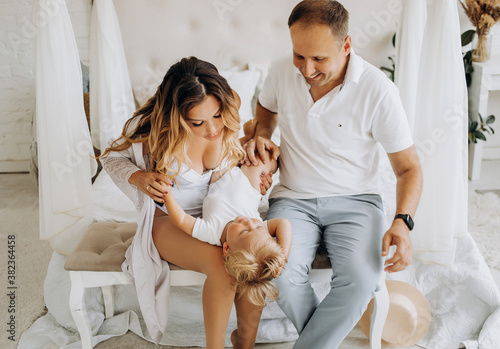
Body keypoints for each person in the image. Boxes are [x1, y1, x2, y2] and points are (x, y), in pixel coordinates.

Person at [242, 1, 423, 348]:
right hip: (293, 199)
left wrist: (403, 222)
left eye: (319, 59)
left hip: (357, 201)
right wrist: (262, 134)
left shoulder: (379, 90)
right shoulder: (281, 70)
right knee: (276, 273)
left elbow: (409, 168)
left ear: (347, 45)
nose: (306, 69)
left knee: (360, 281)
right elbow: (265, 110)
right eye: (299, 55)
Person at [100, 56, 273, 349]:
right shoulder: (148, 129)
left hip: (221, 212)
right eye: (198, 122)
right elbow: (110, 157)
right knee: (222, 266)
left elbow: (231, 163)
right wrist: (139, 176)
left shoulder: (228, 108)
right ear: (175, 116)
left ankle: (245, 342)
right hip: (168, 221)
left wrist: (250, 177)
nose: (213, 130)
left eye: (217, 116)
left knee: (251, 262)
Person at [159, 150, 291, 308]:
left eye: (244, 231)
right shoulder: (257, 230)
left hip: (219, 178)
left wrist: (167, 196)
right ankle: (260, 144)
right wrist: (283, 256)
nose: (249, 223)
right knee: (261, 159)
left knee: (227, 159)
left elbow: (182, 219)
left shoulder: (212, 232)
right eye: (258, 226)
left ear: (227, 248)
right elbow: (283, 224)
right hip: (248, 184)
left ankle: (248, 141)